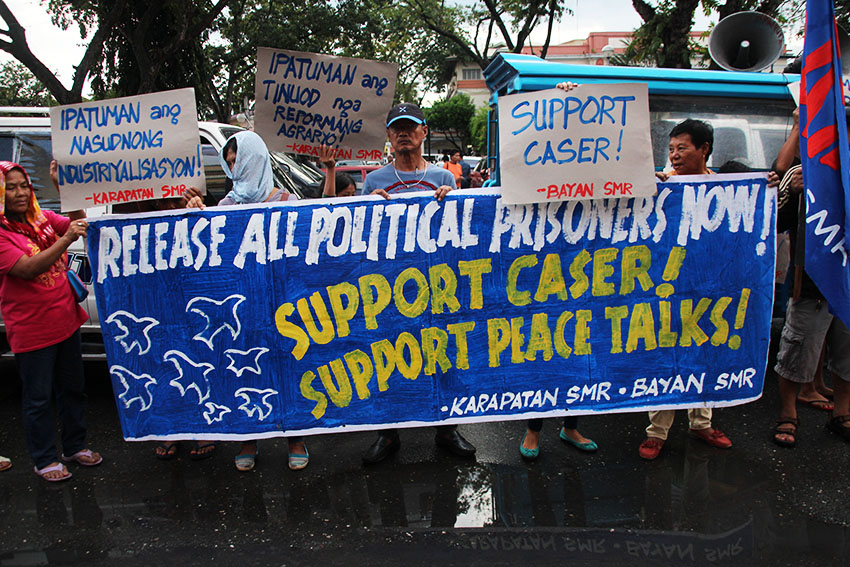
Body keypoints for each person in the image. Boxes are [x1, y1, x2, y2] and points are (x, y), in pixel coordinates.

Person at [185, 131, 307, 471]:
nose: (233, 166)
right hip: (239, 310)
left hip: (281, 305)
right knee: (245, 372)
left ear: (255, 157)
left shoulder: (287, 201)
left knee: (285, 367)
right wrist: (194, 211)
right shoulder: (225, 207)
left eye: (238, 159)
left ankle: (295, 437)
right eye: (229, 161)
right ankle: (248, 439)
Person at [360, 102, 475, 464]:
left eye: (411, 127)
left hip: (437, 288)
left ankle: (447, 428)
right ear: (389, 137)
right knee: (386, 358)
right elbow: (359, 240)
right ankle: (388, 433)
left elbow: (461, 231)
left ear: (424, 132)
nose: (404, 134)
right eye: (397, 128)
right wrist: (367, 208)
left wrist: (453, 203)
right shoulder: (373, 182)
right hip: (389, 288)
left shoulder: (444, 178)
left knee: (443, 353)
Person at [0, 160, 102, 481]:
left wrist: (66, 189)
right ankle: (44, 459)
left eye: (24, 185)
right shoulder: (2, 233)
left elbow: (77, 221)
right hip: (32, 330)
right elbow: (27, 268)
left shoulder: (40, 218)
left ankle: (74, 446)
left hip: (66, 320)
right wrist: (66, 240)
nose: (19, 193)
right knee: (38, 398)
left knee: (73, 389)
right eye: (10, 187)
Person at [639, 119, 732, 460]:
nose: (675, 155)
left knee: (705, 353)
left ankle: (701, 423)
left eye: (682, 148)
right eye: (671, 149)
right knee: (668, 356)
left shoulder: (725, 188)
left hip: (708, 288)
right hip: (666, 289)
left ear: (704, 149)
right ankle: (657, 432)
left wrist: (767, 187)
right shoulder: (662, 186)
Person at [519, 82, 598, 462]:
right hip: (540, 279)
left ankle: (570, 426)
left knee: (577, 352)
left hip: (585, 277)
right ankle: (534, 430)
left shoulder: (598, 173)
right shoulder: (531, 173)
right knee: (544, 354)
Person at [771, 108, 850, 447]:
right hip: (813, 282)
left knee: (846, 352)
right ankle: (788, 413)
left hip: (847, 284)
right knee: (798, 348)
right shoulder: (805, 175)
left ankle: (842, 413)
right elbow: (776, 222)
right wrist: (797, 192)